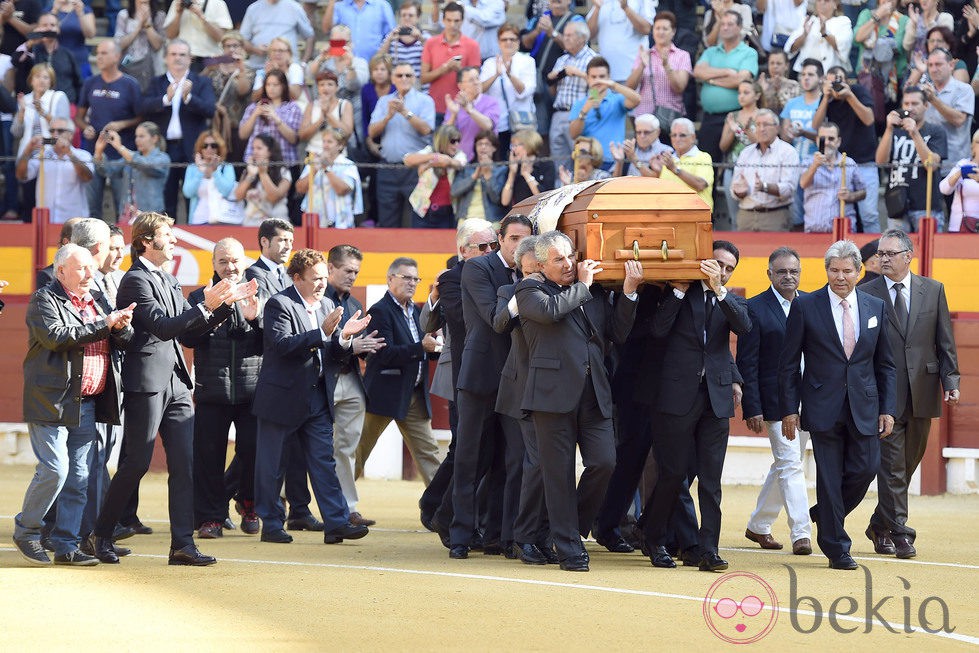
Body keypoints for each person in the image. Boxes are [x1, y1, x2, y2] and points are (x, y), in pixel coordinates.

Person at [92, 212, 256, 566]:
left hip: (178, 383)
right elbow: (165, 328)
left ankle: (182, 544)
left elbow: (188, 333)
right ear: (147, 242)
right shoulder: (135, 281)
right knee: (136, 463)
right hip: (148, 383)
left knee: (184, 464)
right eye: (168, 235)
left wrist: (224, 307)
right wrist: (207, 305)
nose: (174, 240)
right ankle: (101, 533)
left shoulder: (166, 278)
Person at [515, 231, 642, 571]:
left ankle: (566, 530)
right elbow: (549, 313)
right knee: (557, 475)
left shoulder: (594, 291)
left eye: (571, 256)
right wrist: (583, 286)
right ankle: (569, 549)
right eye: (559, 259)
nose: (569, 264)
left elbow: (616, 333)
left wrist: (628, 293)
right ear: (541, 265)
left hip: (594, 393)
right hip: (550, 397)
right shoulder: (530, 289)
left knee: (604, 463)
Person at [13, 244, 134, 566]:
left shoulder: (97, 300)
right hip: (51, 400)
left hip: (86, 401)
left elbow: (122, 337)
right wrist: (106, 324)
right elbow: (57, 336)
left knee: (80, 476)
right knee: (56, 469)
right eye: (82, 268)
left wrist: (121, 327)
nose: (89, 274)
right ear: (61, 271)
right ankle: (26, 531)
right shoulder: (44, 300)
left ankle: (66, 545)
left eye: (90, 268)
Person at [779, 239, 896, 570]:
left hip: (866, 405)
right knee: (829, 477)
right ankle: (836, 547)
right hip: (821, 404)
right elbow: (788, 363)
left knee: (866, 468)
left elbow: (885, 364)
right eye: (834, 270)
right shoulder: (806, 305)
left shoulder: (875, 306)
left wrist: (887, 408)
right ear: (826, 270)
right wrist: (789, 408)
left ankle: (824, 515)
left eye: (847, 271)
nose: (840, 277)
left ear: (860, 272)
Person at [640, 241, 751, 572]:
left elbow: (744, 327)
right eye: (718, 264)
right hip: (675, 395)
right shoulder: (676, 290)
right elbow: (657, 331)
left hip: (715, 398)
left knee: (711, 480)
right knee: (673, 473)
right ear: (705, 260)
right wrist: (676, 293)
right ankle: (655, 537)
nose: (723, 271)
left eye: (729, 268)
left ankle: (708, 549)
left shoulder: (729, 298)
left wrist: (719, 289)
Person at [251, 248, 373, 545]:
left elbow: (332, 354)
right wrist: (322, 332)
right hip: (282, 399)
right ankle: (271, 523)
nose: (321, 284)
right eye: (314, 278)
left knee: (323, 462)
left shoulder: (327, 304)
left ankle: (336, 523)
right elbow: (282, 345)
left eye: (323, 278)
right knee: (272, 464)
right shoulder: (279, 304)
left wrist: (345, 339)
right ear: (296, 278)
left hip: (317, 397)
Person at [861, 229, 959, 559]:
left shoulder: (933, 290)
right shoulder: (867, 291)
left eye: (890, 254)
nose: (883, 259)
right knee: (892, 467)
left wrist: (952, 382)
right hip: (884, 396)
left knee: (907, 464)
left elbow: (944, 342)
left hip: (923, 389)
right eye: (880, 254)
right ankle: (901, 532)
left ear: (908, 256)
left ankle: (879, 524)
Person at [447, 215, 534, 560]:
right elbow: (492, 317)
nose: (518, 246)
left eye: (525, 240)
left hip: (516, 380)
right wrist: (528, 283)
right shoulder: (478, 268)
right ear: (500, 239)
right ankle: (460, 535)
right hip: (481, 377)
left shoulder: (530, 275)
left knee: (513, 460)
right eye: (513, 238)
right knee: (470, 458)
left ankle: (505, 535)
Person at [182, 238, 263, 540]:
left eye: (234, 261)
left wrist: (258, 320)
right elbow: (187, 339)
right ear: (213, 264)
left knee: (254, 451)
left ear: (245, 262)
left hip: (252, 389)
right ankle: (211, 517)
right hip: (212, 389)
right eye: (223, 262)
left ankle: (248, 501)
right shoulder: (198, 297)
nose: (229, 267)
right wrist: (213, 307)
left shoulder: (260, 293)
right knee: (208, 456)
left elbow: (273, 341)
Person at [736, 247, 812, 556]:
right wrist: (752, 407)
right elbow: (747, 361)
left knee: (785, 464)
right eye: (781, 272)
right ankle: (802, 533)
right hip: (776, 401)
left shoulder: (809, 303)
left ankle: (759, 525)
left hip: (809, 399)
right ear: (769, 274)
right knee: (791, 465)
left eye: (793, 271)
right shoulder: (754, 308)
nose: (788, 277)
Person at [491, 235, 555, 563]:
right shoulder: (508, 291)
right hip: (519, 392)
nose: (535, 277)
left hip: (549, 392)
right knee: (527, 466)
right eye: (529, 271)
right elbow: (500, 323)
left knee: (543, 467)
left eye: (539, 271)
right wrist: (522, 292)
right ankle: (518, 537)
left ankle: (536, 536)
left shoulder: (557, 290)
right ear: (518, 268)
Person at [355, 257, 443, 492]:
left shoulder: (416, 311)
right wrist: (421, 348)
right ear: (390, 279)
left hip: (413, 393)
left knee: (429, 452)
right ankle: (337, 507)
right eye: (406, 277)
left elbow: (422, 349)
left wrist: (434, 349)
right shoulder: (380, 311)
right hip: (383, 394)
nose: (412, 283)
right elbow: (382, 354)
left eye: (416, 278)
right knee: (359, 451)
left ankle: (442, 511)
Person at [322, 245, 384, 527]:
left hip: (350, 380)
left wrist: (362, 348)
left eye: (356, 272)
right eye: (347, 270)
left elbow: (351, 347)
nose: (352, 276)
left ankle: (347, 507)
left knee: (346, 447)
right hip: (321, 381)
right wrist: (351, 345)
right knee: (306, 444)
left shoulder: (355, 305)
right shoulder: (316, 299)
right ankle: (291, 501)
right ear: (330, 268)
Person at [141, 39, 218, 220]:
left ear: (190, 58)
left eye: (182, 54)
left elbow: (210, 110)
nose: (178, 58)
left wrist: (188, 97)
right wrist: (166, 99)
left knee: (193, 194)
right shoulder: (156, 83)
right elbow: (142, 108)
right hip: (164, 148)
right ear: (166, 58)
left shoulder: (201, 82)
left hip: (193, 147)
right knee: (167, 196)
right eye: (173, 54)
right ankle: (165, 235)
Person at [75, 39, 143, 222]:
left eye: (104, 53)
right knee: (92, 209)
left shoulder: (130, 84)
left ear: (117, 56)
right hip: (94, 151)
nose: (99, 57)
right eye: (97, 53)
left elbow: (141, 117)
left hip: (121, 154)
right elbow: (79, 117)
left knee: (122, 209)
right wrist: (85, 127)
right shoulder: (90, 83)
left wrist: (121, 124)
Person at [813, 65, 880, 232]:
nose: (837, 85)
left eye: (839, 80)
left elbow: (869, 119)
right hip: (840, 166)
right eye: (832, 82)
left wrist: (849, 95)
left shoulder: (857, 91)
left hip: (864, 162)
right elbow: (816, 125)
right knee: (842, 213)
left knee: (869, 215)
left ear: (847, 81)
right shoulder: (827, 98)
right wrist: (825, 98)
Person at [368, 61, 435, 227]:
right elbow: (371, 132)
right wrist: (387, 117)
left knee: (419, 220)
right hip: (388, 168)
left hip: (416, 169)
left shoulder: (425, 100)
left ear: (414, 79)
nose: (404, 78)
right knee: (387, 221)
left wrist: (405, 112)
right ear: (392, 79)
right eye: (399, 75)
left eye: (408, 75)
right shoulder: (384, 101)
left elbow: (427, 129)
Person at [875, 87, 947, 232]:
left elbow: (932, 165)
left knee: (927, 252)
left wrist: (914, 133)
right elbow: (880, 162)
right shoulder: (894, 131)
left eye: (915, 103)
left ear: (926, 106)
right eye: (906, 104)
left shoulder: (936, 131)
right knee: (896, 253)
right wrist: (889, 129)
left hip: (926, 206)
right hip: (896, 205)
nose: (910, 108)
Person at [693, 10, 758, 164]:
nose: (725, 27)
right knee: (706, 164)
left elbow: (741, 80)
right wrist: (726, 72)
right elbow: (697, 72)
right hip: (710, 118)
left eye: (730, 24)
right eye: (722, 24)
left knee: (736, 164)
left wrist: (711, 80)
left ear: (740, 27)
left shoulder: (749, 53)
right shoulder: (710, 51)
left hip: (736, 117)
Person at [520, 0, 585, 139]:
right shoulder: (540, 18)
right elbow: (524, 44)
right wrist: (537, 31)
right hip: (539, 80)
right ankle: (544, 160)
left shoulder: (576, 20)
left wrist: (552, 33)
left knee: (560, 131)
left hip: (562, 83)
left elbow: (577, 46)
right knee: (541, 129)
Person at [730, 108, 800, 231]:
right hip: (746, 216)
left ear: (777, 127)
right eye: (757, 125)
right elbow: (734, 188)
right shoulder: (746, 153)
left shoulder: (788, 152)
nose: (761, 129)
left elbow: (789, 189)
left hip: (775, 216)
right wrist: (739, 192)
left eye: (766, 124)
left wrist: (764, 187)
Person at [568, 56, 641, 170]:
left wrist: (614, 85)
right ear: (587, 78)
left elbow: (637, 100)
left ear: (609, 77)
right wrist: (585, 110)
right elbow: (573, 134)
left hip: (613, 161)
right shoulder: (579, 104)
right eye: (594, 77)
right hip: (588, 162)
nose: (598, 81)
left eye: (602, 77)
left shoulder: (617, 100)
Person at [15, 118, 93, 224]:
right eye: (52, 131)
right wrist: (27, 150)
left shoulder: (83, 155)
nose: (55, 134)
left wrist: (69, 153)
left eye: (60, 131)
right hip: (46, 221)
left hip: (74, 221)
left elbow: (87, 177)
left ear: (71, 135)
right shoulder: (42, 155)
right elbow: (21, 176)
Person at [545, 20, 596, 174]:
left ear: (582, 38)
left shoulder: (593, 59)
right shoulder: (562, 60)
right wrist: (559, 75)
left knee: (580, 160)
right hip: (559, 113)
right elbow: (552, 90)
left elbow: (598, 88)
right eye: (564, 35)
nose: (565, 38)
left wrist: (578, 73)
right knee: (558, 163)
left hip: (579, 116)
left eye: (569, 35)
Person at [479, 23, 536, 156]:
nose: (508, 42)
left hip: (521, 123)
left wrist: (510, 74)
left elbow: (524, 92)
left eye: (512, 39)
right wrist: (496, 75)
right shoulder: (490, 63)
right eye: (504, 39)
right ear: (499, 42)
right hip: (498, 123)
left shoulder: (527, 61)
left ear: (518, 41)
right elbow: (480, 89)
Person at [626, 11, 691, 126]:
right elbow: (630, 87)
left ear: (673, 32)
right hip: (644, 117)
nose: (660, 32)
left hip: (669, 118)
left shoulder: (682, 55)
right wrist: (642, 65)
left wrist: (666, 65)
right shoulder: (645, 54)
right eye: (657, 28)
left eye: (665, 29)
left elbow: (680, 87)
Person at [799, 122, 866, 232]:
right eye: (822, 139)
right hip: (814, 230)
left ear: (838, 141)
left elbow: (863, 192)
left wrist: (850, 196)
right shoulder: (808, 162)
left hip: (843, 230)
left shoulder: (849, 163)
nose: (826, 142)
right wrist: (815, 165)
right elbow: (803, 183)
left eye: (831, 139)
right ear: (816, 140)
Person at [94, 121, 170, 218]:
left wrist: (120, 147)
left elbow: (143, 165)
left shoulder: (162, 158)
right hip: (127, 215)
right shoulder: (129, 157)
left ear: (154, 138)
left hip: (151, 216)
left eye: (141, 136)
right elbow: (108, 171)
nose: (137, 140)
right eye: (136, 136)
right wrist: (98, 151)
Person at [781, 58, 823, 231]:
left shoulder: (824, 102)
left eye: (811, 74)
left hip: (817, 165)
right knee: (796, 213)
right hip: (793, 163)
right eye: (803, 74)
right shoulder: (792, 103)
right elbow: (784, 137)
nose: (806, 78)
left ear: (821, 78)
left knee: (815, 210)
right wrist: (789, 133)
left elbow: (828, 136)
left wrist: (804, 133)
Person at [420, 2, 481, 121]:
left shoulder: (472, 45)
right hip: (435, 107)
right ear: (443, 20)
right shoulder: (431, 43)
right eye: (449, 20)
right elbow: (423, 79)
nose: (452, 24)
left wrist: (460, 71)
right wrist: (444, 69)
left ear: (462, 21)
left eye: (456, 21)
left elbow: (475, 83)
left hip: (462, 108)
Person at [920, 48, 973, 179]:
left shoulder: (964, 89)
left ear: (951, 65)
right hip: (927, 164)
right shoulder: (923, 91)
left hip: (955, 166)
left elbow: (959, 120)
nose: (933, 69)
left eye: (938, 64)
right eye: (930, 65)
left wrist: (933, 100)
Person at [201, 32, 254, 163]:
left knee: (237, 164)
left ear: (242, 48)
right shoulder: (215, 70)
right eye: (227, 46)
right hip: (215, 126)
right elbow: (199, 86)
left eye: (235, 45)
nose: (231, 49)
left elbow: (243, 90)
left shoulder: (248, 70)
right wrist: (208, 68)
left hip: (238, 127)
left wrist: (240, 69)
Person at [404, 123, 468, 229]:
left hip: (447, 212)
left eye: (458, 141)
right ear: (443, 141)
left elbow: (459, 163)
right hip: (422, 210)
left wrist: (429, 164)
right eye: (452, 141)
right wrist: (434, 156)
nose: (456, 144)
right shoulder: (430, 151)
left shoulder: (459, 154)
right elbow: (407, 160)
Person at [296, 128, 362, 228]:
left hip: (340, 221)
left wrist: (326, 168)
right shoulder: (313, 162)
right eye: (324, 141)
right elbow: (300, 189)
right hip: (315, 220)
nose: (325, 145)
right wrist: (314, 169)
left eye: (330, 142)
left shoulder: (348, 165)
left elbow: (342, 190)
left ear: (340, 146)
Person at [644, 117, 713, 209]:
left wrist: (674, 169)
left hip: (696, 214)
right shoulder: (668, 159)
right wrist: (657, 171)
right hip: (669, 213)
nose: (677, 139)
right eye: (674, 135)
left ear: (693, 137)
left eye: (682, 135)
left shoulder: (703, 157)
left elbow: (700, 184)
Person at [12, 13, 82, 103]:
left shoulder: (67, 54)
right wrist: (31, 42)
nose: (49, 28)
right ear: (38, 28)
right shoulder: (30, 51)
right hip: (34, 105)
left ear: (58, 29)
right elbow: (15, 61)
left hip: (64, 105)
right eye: (44, 25)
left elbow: (78, 82)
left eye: (53, 25)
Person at [718, 78, 760, 225]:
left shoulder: (763, 116)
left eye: (746, 92)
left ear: (757, 96)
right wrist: (732, 129)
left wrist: (741, 130)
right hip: (732, 168)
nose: (741, 96)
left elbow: (760, 145)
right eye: (739, 92)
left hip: (758, 170)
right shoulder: (732, 116)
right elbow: (723, 146)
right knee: (735, 216)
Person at [239, 68, 301, 165]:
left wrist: (276, 118)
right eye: (268, 84)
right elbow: (243, 135)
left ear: (283, 86)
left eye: (275, 85)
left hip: (284, 162)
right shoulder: (254, 107)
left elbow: (294, 139)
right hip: (255, 162)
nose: (271, 88)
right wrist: (255, 114)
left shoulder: (293, 108)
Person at [586, 0, 655, 83]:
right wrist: (597, 8)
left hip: (634, 76)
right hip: (603, 77)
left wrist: (626, 8)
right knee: (594, 95)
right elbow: (588, 35)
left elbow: (646, 29)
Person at [11, 63, 70, 159]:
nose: (41, 80)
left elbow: (64, 131)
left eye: (46, 77)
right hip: (26, 155)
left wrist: (43, 112)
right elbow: (16, 133)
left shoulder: (59, 97)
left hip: (51, 155)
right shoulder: (25, 100)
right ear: (31, 80)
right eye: (37, 76)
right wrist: (22, 112)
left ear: (51, 82)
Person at [443, 66, 501, 162]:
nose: (476, 82)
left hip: (485, 160)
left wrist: (469, 110)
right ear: (460, 85)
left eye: (478, 78)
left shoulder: (491, 102)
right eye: (471, 80)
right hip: (460, 159)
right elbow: (445, 136)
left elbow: (488, 125)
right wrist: (453, 115)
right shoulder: (455, 106)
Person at [239, 0, 314, 72]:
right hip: (259, 67)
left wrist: (303, 64)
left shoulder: (294, 7)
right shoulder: (253, 8)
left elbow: (310, 36)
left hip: (288, 68)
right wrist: (255, 50)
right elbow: (242, 39)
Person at [233, 133, 291, 226]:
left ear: (270, 151)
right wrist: (251, 175)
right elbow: (238, 196)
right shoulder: (249, 170)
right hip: (250, 224)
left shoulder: (283, 171)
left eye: (259, 148)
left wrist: (262, 173)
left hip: (276, 226)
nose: (255, 152)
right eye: (253, 148)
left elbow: (274, 197)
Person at [183, 130, 239, 225]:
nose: (209, 148)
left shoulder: (227, 167)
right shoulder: (193, 168)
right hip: (198, 221)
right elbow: (188, 193)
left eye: (213, 145)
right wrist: (200, 172)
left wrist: (215, 171)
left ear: (219, 148)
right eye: (205, 146)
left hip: (222, 221)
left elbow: (226, 191)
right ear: (200, 149)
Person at [785, 0, 852, 75]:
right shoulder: (808, 20)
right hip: (807, 74)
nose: (822, 2)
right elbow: (791, 48)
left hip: (830, 74)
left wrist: (825, 33)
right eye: (819, 0)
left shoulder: (843, 21)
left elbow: (842, 47)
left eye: (826, 0)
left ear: (835, 4)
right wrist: (804, 34)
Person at [452, 129, 506, 222]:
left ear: (494, 148)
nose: (483, 147)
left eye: (487, 144)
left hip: (491, 221)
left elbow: (497, 199)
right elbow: (454, 191)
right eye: (479, 144)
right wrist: (474, 176)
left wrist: (488, 174)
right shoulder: (467, 168)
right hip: (466, 219)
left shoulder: (501, 169)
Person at [114, 0, 167, 92]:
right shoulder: (124, 15)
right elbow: (120, 44)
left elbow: (158, 45)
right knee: (127, 88)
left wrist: (147, 24)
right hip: (128, 60)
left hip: (151, 63)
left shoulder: (159, 15)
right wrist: (138, 28)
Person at [163, 0, 233, 68]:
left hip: (210, 61)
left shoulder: (218, 3)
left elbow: (221, 37)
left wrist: (201, 16)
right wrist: (178, 14)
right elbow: (170, 35)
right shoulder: (178, 2)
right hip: (183, 59)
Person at [321, 0, 396, 63]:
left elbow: (391, 35)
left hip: (374, 67)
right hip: (345, 65)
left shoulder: (382, 5)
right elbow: (326, 30)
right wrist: (332, 1)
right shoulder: (339, 6)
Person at [499, 128, 554, 209]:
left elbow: (544, 198)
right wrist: (511, 174)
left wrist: (526, 174)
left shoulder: (546, 164)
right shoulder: (514, 168)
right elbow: (504, 201)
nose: (513, 149)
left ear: (528, 145)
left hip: (540, 212)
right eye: (512, 146)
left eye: (516, 145)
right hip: (518, 216)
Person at [940, 130, 979, 232]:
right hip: (959, 225)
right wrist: (959, 173)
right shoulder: (963, 163)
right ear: (973, 145)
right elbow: (944, 189)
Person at [380, 0, 428, 82]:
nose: (406, 18)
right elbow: (379, 59)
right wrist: (389, 39)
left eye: (411, 15)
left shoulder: (425, 36)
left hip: (419, 86)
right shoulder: (391, 36)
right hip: (397, 85)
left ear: (418, 17)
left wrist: (421, 38)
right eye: (403, 15)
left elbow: (433, 58)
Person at [46, 0, 93, 78]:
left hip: (79, 59)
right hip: (56, 59)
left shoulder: (84, 9)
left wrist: (80, 14)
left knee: (82, 88)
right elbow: (43, 35)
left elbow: (90, 35)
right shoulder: (49, 9)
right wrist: (54, 10)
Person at [251, 37, 304, 102]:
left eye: (281, 50)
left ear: (289, 54)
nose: (277, 53)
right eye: (273, 50)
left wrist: (279, 74)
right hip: (269, 108)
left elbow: (295, 95)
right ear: (269, 54)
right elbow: (255, 98)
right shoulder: (262, 72)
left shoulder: (294, 68)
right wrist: (268, 76)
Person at [758, 50, 800, 115]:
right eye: (772, 63)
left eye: (779, 63)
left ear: (786, 66)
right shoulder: (762, 83)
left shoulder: (794, 85)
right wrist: (763, 91)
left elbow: (792, 109)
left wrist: (777, 90)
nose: (775, 66)